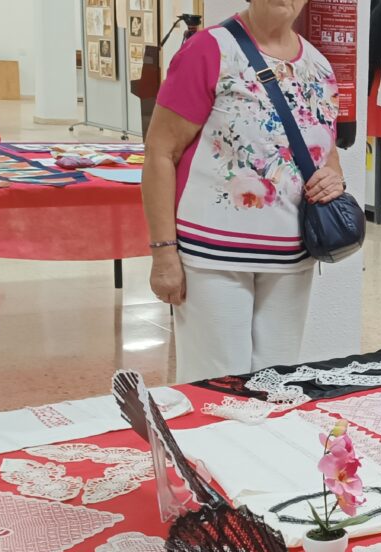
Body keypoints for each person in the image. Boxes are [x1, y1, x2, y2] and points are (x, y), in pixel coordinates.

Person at [142, 0, 345, 382]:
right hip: (213, 254)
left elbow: (325, 151)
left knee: (277, 383)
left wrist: (335, 178)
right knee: (218, 383)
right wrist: (163, 253)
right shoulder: (210, 49)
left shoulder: (319, 66)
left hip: (292, 257)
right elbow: (160, 152)